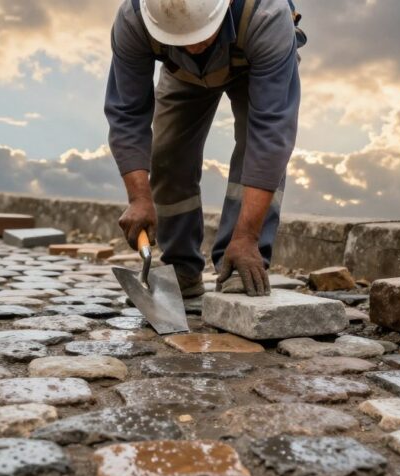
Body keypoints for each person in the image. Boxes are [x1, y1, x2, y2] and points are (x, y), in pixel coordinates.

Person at [105, 0, 303, 297]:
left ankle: (240, 260)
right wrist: (138, 198)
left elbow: (271, 136)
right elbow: (127, 113)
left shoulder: (266, 16)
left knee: (255, 148)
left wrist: (247, 235)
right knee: (168, 154)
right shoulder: (134, 20)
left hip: (254, 64)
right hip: (180, 73)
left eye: (200, 37)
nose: (194, 47)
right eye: (181, 39)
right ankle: (181, 267)